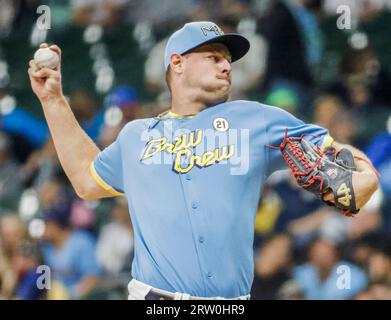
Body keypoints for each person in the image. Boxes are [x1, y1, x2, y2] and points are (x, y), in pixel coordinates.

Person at [28, 21, 379, 300]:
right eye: (213, 56)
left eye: (228, 59)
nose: (226, 65)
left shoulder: (260, 120)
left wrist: (358, 181)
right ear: (177, 63)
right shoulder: (137, 135)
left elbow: (353, 168)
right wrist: (53, 100)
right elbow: (87, 181)